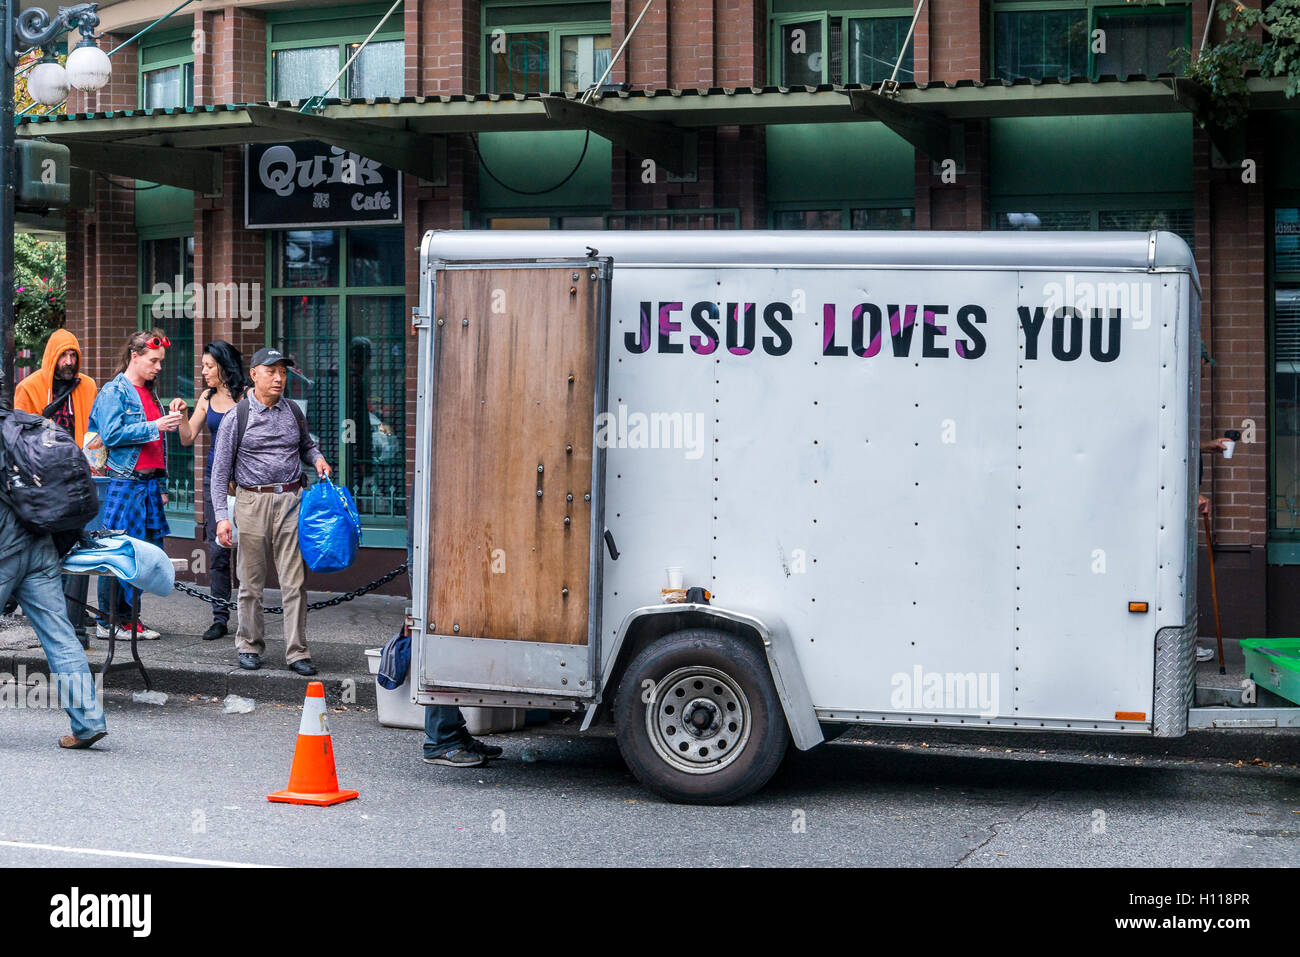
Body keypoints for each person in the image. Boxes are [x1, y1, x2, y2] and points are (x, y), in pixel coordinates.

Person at [211, 347, 331, 676]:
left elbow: (306, 445)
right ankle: (249, 645)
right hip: (252, 501)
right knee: (250, 582)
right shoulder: (238, 416)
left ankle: (297, 652)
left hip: (292, 500)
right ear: (253, 375)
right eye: (271, 371)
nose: (279, 378)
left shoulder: (292, 410)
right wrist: (222, 516)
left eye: (282, 371)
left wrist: (317, 458)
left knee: (295, 582)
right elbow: (219, 472)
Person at [86, 330, 185, 641]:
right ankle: (107, 621)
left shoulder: (150, 393)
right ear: (135, 356)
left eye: (161, 362)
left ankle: (129, 620)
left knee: (140, 556)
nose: (158, 367)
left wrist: (163, 485)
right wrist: (155, 425)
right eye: (153, 361)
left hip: (148, 486)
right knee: (115, 553)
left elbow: (157, 449)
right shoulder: (113, 392)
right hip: (123, 482)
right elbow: (112, 435)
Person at [0, 481, 107, 749]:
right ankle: (89, 722)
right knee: (61, 637)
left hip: (4, 548)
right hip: (41, 547)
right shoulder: (37, 439)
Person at [403, 477, 502, 767]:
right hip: (436, 559)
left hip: (436, 556)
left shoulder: (438, 461)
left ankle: (452, 732)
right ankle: (441, 741)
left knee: (446, 644)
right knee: (441, 645)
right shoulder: (443, 464)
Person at [13, 329, 98, 645]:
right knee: (50, 547)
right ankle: (54, 613)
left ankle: (72, 615)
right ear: (52, 357)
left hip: (77, 478)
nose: (68, 361)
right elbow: (19, 436)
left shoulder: (87, 386)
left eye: (73, 355)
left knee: (75, 543)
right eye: (63, 355)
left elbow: (93, 428)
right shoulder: (30, 387)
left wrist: (92, 457)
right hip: (44, 481)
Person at [176, 342, 248, 641]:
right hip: (215, 482)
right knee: (218, 550)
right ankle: (220, 617)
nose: (203, 371)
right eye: (202, 366)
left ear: (223, 365)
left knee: (247, 551)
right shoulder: (207, 397)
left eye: (208, 365)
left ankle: (248, 617)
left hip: (245, 481)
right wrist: (181, 414)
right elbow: (187, 437)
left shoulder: (246, 395)